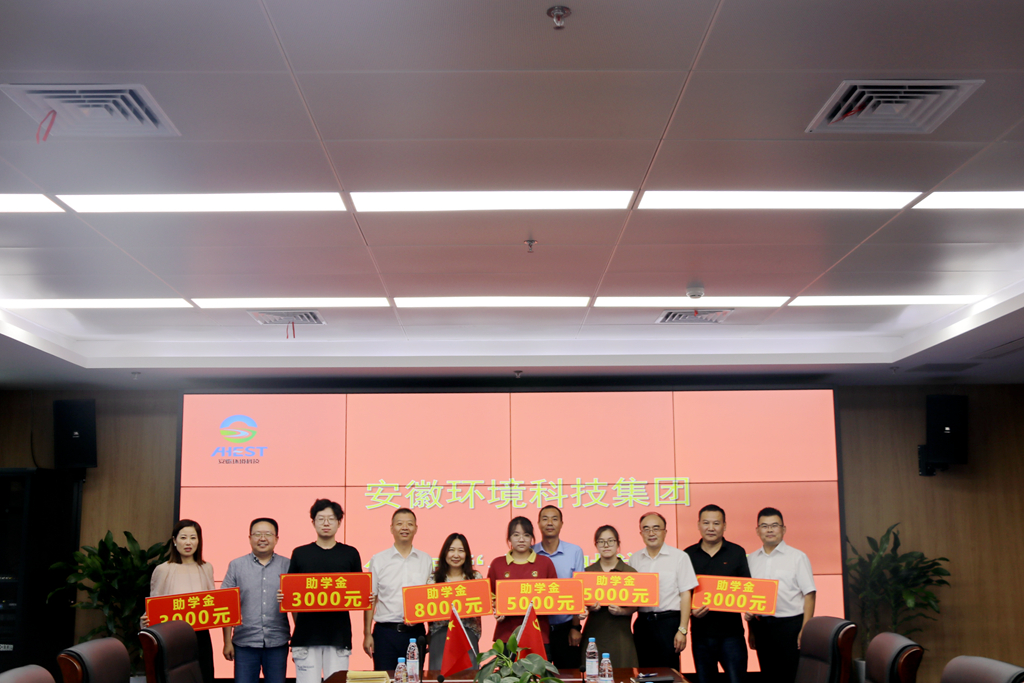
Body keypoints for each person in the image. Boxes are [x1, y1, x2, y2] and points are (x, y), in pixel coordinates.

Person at [287, 500, 363, 683]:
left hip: (338, 636)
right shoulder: (300, 553)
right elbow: (292, 594)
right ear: (313, 522)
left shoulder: (350, 553)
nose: (326, 523)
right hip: (306, 636)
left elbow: (359, 590)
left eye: (331, 519)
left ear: (339, 522)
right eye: (321, 519)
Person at [746, 507, 816, 683]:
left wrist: (805, 629)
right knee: (768, 675)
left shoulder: (797, 557)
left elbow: (809, 594)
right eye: (764, 526)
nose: (769, 530)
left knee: (791, 675)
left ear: (783, 529)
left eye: (774, 525)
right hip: (762, 627)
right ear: (757, 530)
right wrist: (752, 630)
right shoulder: (750, 559)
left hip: (790, 626)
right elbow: (749, 597)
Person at [683, 505, 750, 683]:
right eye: (706, 523)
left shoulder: (737, 552)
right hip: (701, 635)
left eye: (716, 523)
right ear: (698, 525)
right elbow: (682, 593)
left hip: (732, 634)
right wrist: (691, 612)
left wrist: (751, 610)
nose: (711, 528)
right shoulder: (687, 555)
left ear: (724, 526)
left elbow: (748, 588)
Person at [149, 519, 218, 683]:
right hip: (173, 637)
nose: (188, 542)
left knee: (204, 676)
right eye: (183, 537)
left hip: (201, 636)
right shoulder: (163, 569)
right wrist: (147, 620)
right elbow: (154, 604)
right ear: (174, 541)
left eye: (193, 538)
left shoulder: (206, 568)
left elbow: (213, 601)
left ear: (199, 541)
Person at [222, 518, 291, 683]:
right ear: (249, 538)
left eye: (268, 534)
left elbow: (296, 603)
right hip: (244, 643)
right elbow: (227, 605)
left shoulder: (287, 565)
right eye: (257, 534)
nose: (262, 538)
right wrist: (227, 641)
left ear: (276, 539)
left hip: (277, 642)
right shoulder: (236, 565)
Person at [364, 508, 433, 672]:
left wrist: (430, 632)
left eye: (409, 524)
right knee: (385, 679)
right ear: (391, 528)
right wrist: (367, 634)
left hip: (416, 633)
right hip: (385, 634)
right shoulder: (379, 560)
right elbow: (370, 599)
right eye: (400, 523)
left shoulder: (425, 560)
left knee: (414, 679)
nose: (405, 528)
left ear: (416, 528)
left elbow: (431, 598)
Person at [629, 512, 698, 670]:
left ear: (665, 532)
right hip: (643, 623)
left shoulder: (679, 557)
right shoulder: (635, 559)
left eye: (656, 528)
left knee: (669, 672)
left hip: (669, 624)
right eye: (646, 529)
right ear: (641, 533)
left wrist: (682, 629)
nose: (651, 533)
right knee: (643, 672)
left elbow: (685, 594)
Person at [486, 516, 558, 656]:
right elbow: (489, 595)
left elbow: (555, 596)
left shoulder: (545, 563)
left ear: (532, 538)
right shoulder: (497, 564)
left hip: (539, 634)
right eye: (516, 535)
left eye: (526, 535)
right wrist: (496, 609)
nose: (521, 539)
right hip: (506, 635)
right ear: (509, 538)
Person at [533, 505, 586, 669]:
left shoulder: (574, 551)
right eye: (545, 519)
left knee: (569, 676)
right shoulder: (530, 552)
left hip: (566, 628)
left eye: (554, 519)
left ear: (562, 524)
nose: (550, 523)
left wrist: (576, 627)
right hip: (538, 628)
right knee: (537, 675)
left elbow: (579, 591)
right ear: (538, 523)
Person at [580, 525, 638, 668]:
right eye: (601, 541)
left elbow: (636, 605)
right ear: (596, 545)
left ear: (618, 544)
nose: (606, 545)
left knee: (623, 674)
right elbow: (579, 605)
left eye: (611, 541)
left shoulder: (630, 573)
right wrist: (589, 609)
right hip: (594, 634)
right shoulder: (587, 573)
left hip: (621, 635)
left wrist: (622, 611)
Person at [426, 533, 483, 672]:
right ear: (444, 553)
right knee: (439, 676)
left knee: (468, 677)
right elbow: (426, 610)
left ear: (467, 554)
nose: (456, 555)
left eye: (461, 550)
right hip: (440, 636)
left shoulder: (475, 578)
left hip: (468, 635)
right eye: (451, 550)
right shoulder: (434, 580)